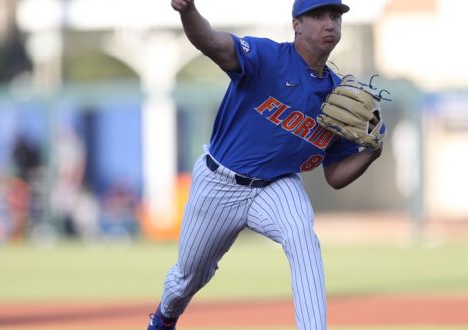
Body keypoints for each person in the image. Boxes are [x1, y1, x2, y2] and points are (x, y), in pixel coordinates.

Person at [148, 0, 384, 329]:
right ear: (296, 25)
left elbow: (335, 175)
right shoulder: (267, 58)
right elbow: (212, 42)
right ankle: (164, 317)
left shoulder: (337, 94)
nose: (329, 24)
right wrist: (187, 11)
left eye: (335, 16)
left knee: (302, 236)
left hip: (277, 185)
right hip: (220, 183)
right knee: (189, 277)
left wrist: (372, 152)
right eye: (318, 15)